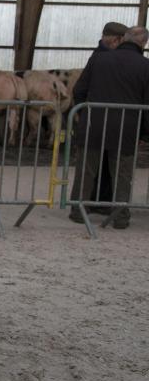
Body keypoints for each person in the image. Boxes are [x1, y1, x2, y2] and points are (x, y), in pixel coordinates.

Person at [69, 26, 149, 229]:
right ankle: (120, 216)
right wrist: (144, 133)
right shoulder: (145, 66)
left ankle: (78, 210)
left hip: (94, 124)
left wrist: (84, 113)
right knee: (122, 174)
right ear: (144, 43)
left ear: (124, 39)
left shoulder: (99, 59)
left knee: (86, 169)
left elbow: (79, 90)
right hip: (126, 128)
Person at [85, 21, 128, 208]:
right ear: (115, 39)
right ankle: (101, 202)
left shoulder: (98, 56)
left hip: (98, 120)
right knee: (105, 166)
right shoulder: (102, 58)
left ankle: (94, 201)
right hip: (108, 120)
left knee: (97, 166)